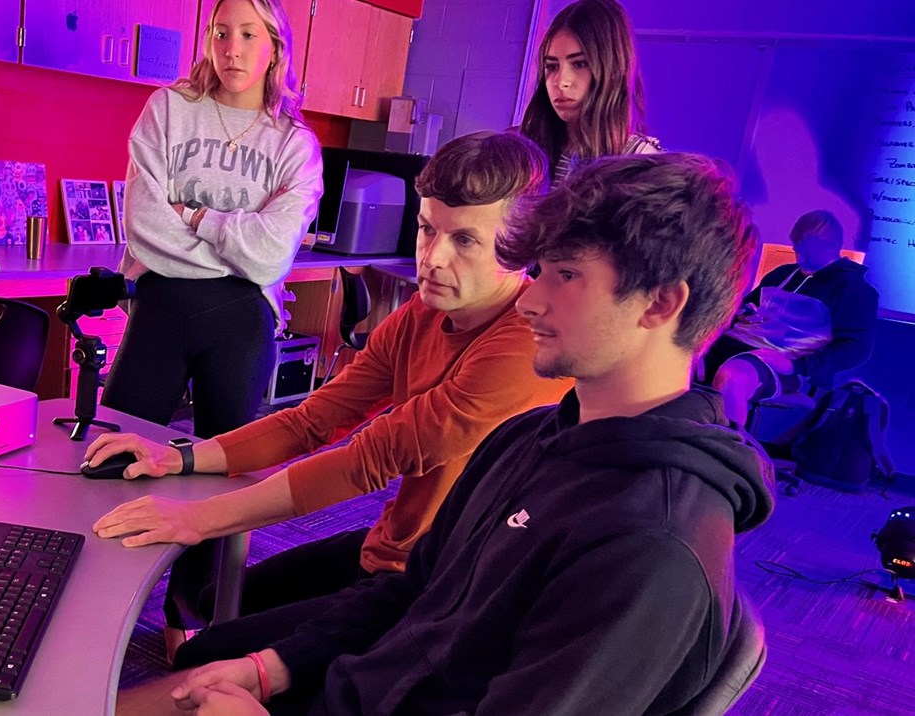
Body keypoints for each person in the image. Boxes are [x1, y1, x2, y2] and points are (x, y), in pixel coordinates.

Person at [117, 152, 774, 716]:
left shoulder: (651, 548)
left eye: (565, 275)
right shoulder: (529, 439)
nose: (533, 300)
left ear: (660, 303)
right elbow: (413, 593)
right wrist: (273, 667)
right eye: (540, 270)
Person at [88, 131, 572, 657]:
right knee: (212, 602)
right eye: (426, 229)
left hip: (446, 590)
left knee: (206, 653)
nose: (431, 258)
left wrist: (196, 519)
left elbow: (372, 458)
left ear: (517, 245)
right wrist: (177, 458)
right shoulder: (423, 314)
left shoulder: (526, 342)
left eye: (464, 241)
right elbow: (314, 418)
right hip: (393, 549)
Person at [100, 0, 323, 441]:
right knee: (111, 451)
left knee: (220, 473)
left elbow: (272, 255)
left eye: (248, 34)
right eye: (221, 33)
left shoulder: (295, 146)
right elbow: (145, 227)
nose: (231, 49)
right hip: (161, 305)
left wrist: (195, 215)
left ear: (275, 47)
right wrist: (240, 252)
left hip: (242, 318)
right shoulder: (168, 109)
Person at [701, 210, 879, 426]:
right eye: (797, 251)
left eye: (808, 253)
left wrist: (798, 366)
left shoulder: (853, 290)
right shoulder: (783, 273)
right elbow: (745, 305)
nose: (801, 258)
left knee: (732, 379)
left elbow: (856, 348)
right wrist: (744, 313)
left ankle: (727, 453)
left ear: (832, 247)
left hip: (780, 360)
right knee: (679, 357)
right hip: (735, 343)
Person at [518, 0, 661, 185]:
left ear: (613, 69)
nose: (561, 82)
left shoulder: (642, 165)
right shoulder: (526, 146)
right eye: (552, 66)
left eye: (580, 64)